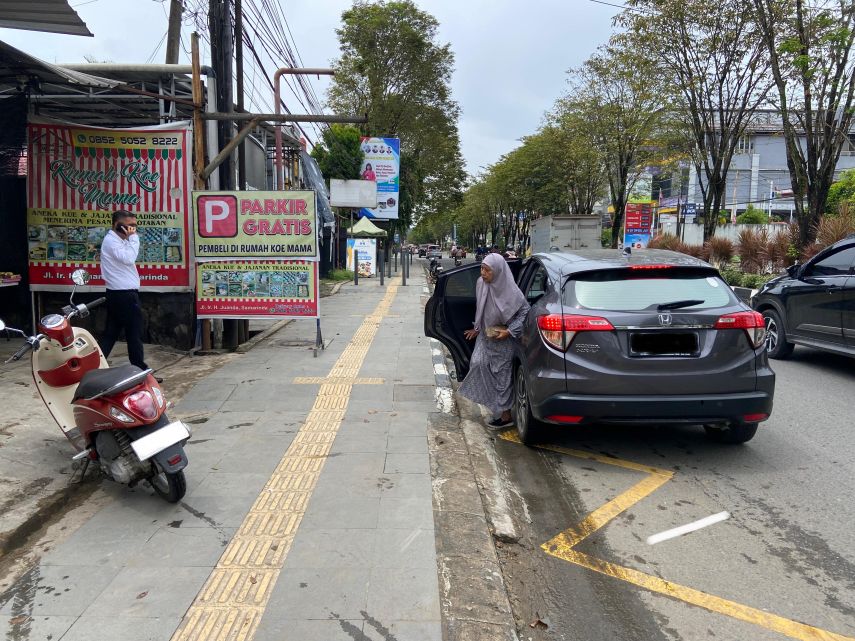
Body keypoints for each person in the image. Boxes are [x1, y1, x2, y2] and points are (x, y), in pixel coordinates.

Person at [459, 253, 530, 427]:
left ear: (498, 271)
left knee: (502, 376)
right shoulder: (480, 284)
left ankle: (505, 415)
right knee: (478, 363)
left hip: (503, 340)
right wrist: (477, 328)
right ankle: (496, 404)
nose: (483, 273)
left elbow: (525, 312)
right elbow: (481, 308)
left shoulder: (512, 291)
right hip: (486, 335)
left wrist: (510, 331)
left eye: (487, 270)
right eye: (481, 268)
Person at [99, 210, 160, 380]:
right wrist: (134, 238)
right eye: (128, 226)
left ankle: (96, 362)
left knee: (112, 332)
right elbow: (128, 258)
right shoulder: (112, 241)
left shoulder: (120, 240)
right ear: (116, 225)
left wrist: (128, 238)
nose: (132, 230)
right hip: (123, 294)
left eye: (134, 226)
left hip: (120, 292)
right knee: (134, 331)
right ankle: (140, 368)